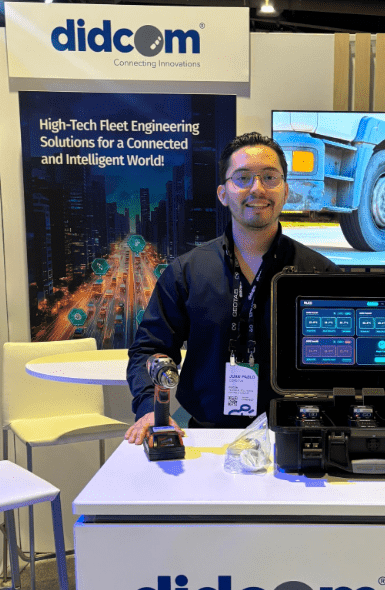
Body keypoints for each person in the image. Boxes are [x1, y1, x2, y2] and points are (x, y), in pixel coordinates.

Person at [125, 132, 338, 445]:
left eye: (270, 177)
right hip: (207, 439)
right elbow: (149, 348)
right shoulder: (187, 272)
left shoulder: (321, 273)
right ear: (223, 194)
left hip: (300, 438)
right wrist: (150, 409)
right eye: (243, 178)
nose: (257, 188)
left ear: (285, 191)